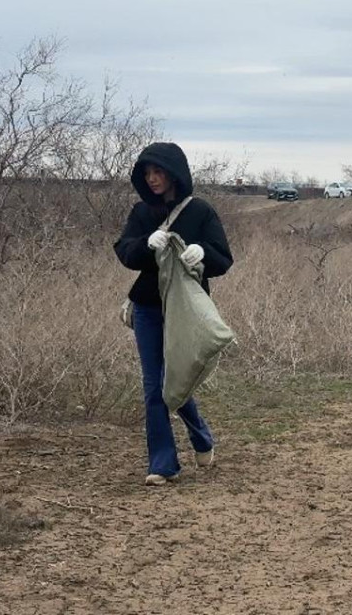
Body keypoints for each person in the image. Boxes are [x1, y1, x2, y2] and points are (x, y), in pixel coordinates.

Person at [114, 142, 234, 485]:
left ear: (174, 172)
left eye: (158, 172)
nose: (152, 179)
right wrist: (144, 245)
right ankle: (162, 465)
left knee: (177, 379)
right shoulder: (141, 213)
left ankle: (201, 438)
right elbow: (125, 251)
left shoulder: (200, 212)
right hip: (148, 307)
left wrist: (202, 253)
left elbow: (223, 258)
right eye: (147, 173)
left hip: (185, 310)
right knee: (154, 385)